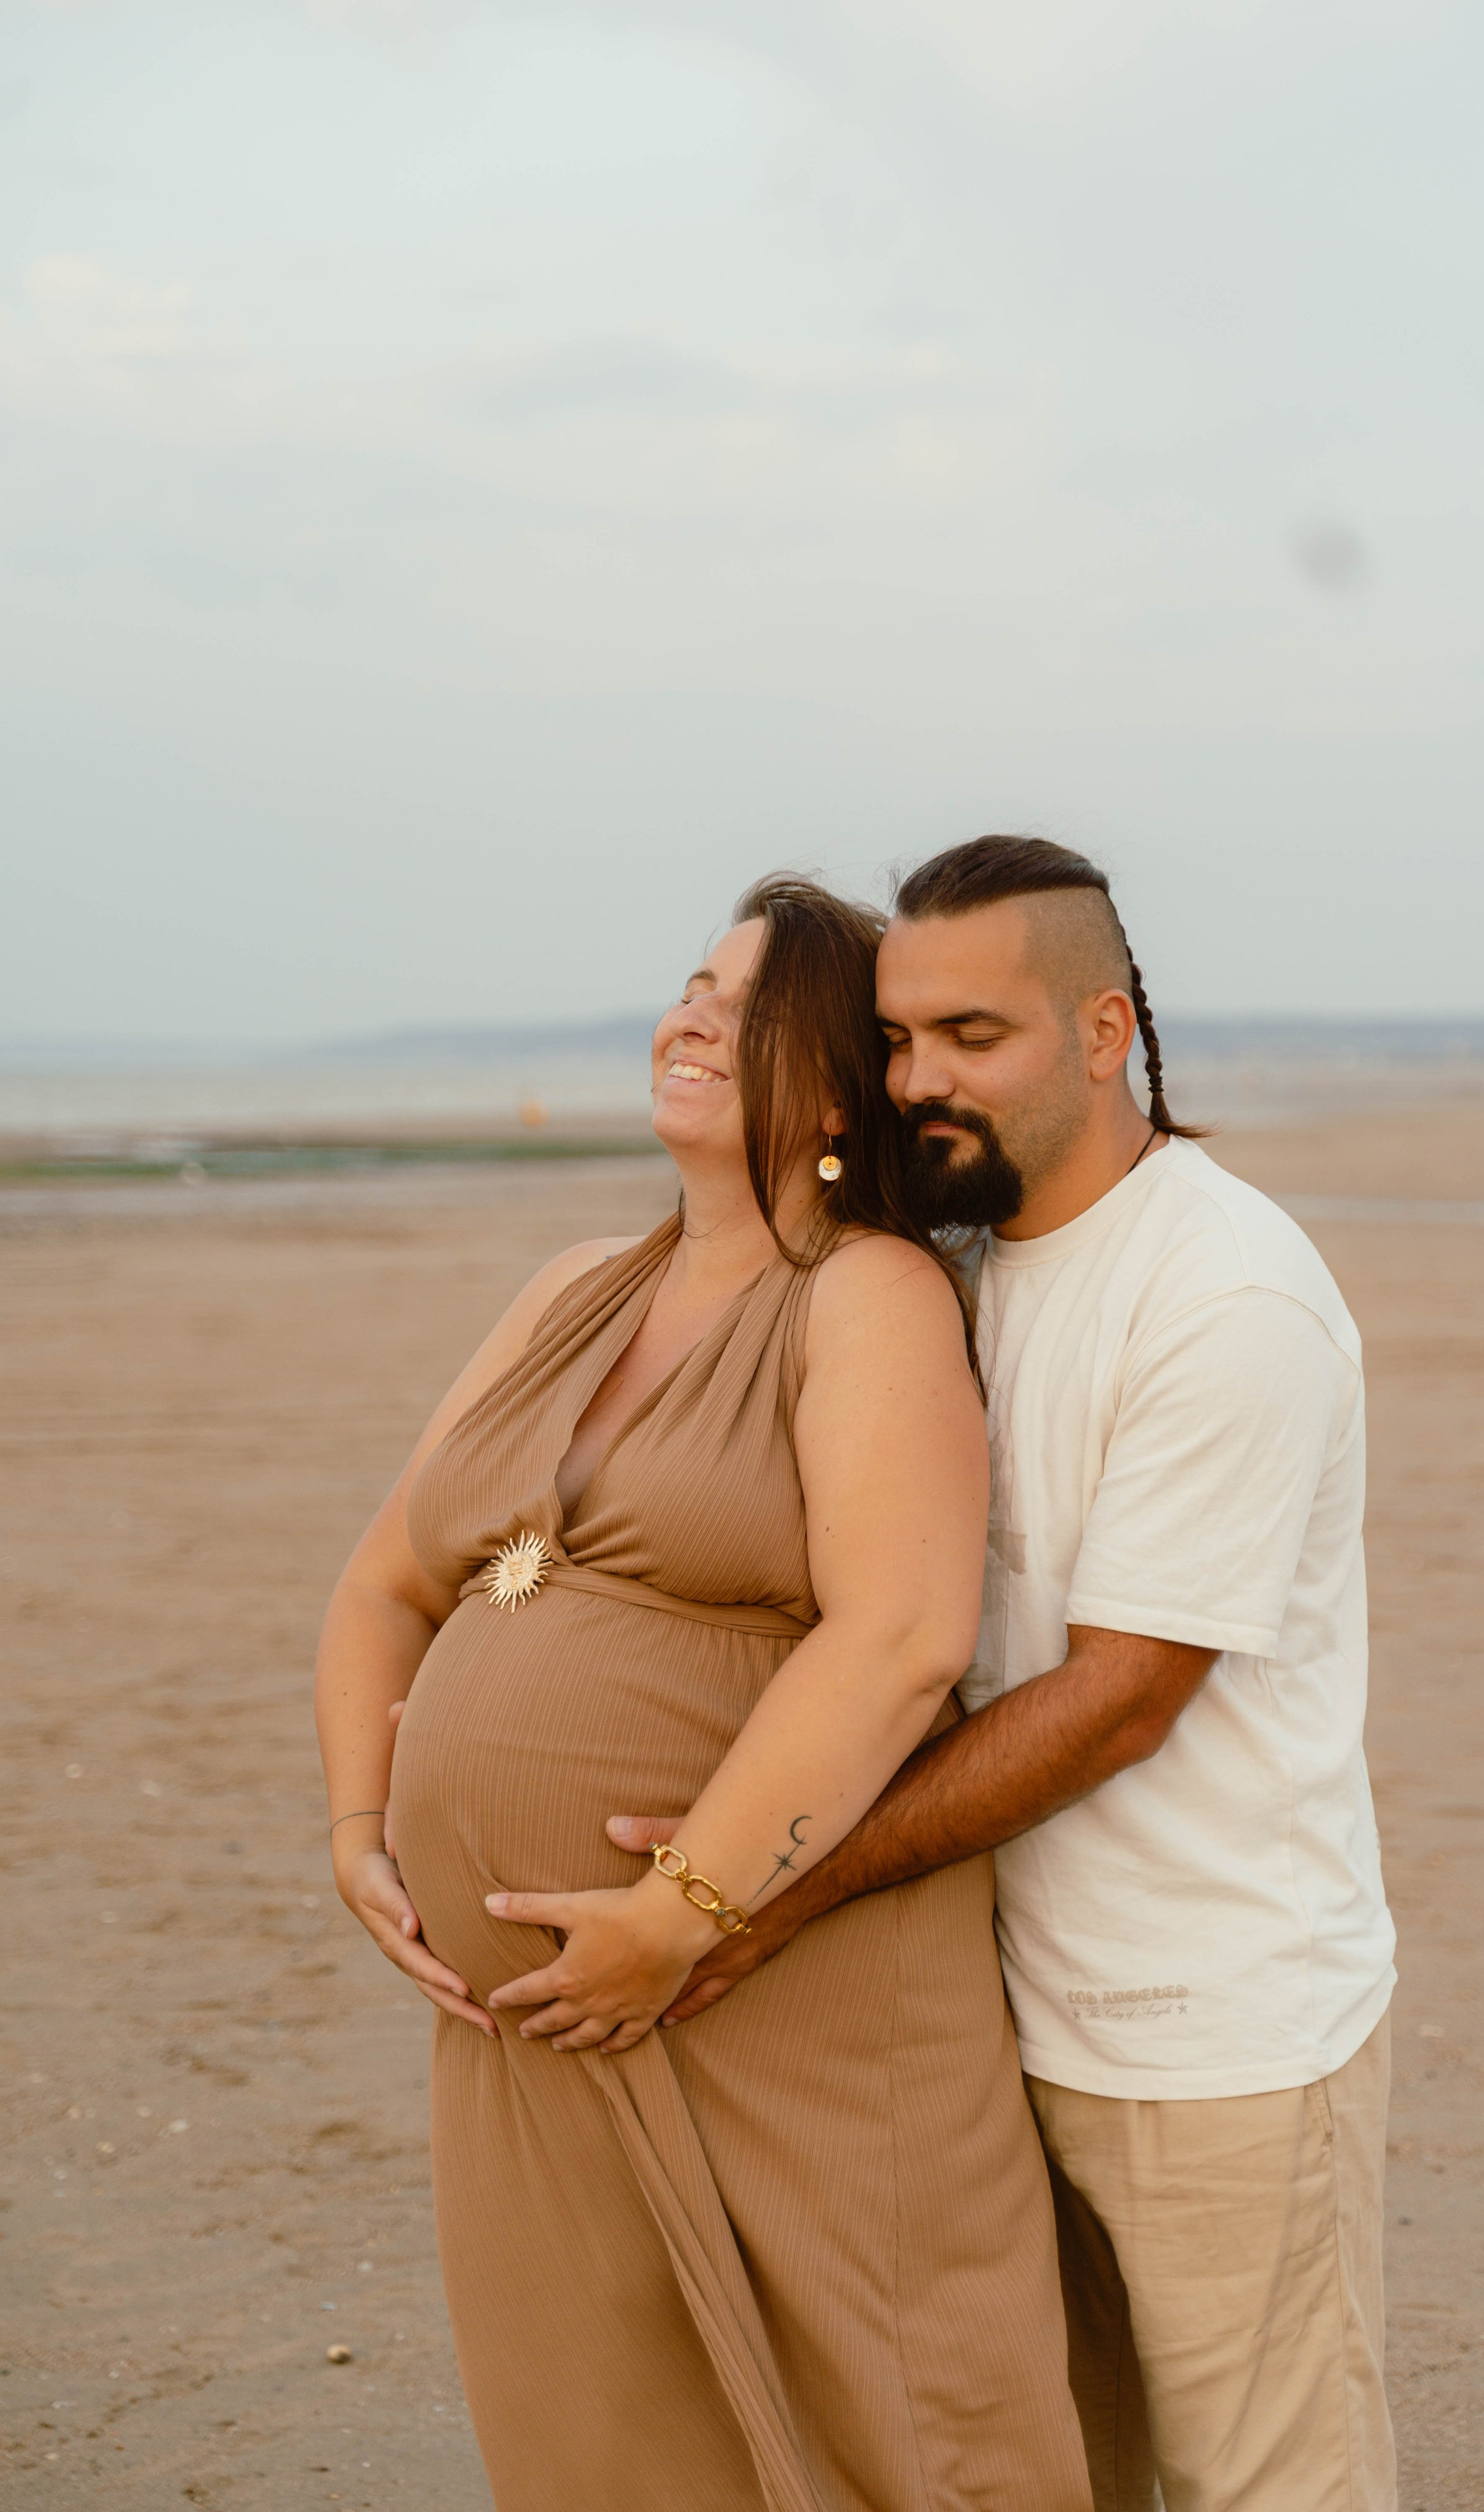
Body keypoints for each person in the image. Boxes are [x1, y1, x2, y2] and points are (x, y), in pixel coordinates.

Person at [614, 837, 1400, 2512]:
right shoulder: (945, 1262)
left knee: (1266, 2487)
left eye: (974, 1036)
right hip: (983, 2025)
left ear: (1104, 1031)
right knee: (1068, 2478)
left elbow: (1118, 1699)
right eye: (897, 1040)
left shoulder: (1222, 1291)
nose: (920, 1081)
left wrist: (768, 1884)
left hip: (1212, 2037)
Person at [313, 874, 1094, 2512]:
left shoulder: (863, 1292)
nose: (692, 1018)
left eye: (748, 1007)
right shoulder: (570, 1286)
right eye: (690, 985)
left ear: (836, 1091)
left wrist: (679, 1912)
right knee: (600, 2424)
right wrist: (359, 1828)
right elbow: (386, 1580)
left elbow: (899, 1637)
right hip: (528, 2017)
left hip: (773, 1985)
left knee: (900, 2417)